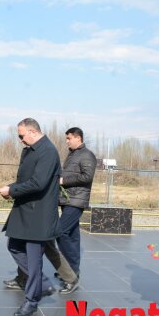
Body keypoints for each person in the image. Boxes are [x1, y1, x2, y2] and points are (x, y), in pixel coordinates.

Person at [0, 118, 61, 316]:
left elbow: (38, 183)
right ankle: (43, 285)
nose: (20, 140)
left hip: (38, 214)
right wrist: (10, 188)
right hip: (25, 210)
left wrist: (12, 190)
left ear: (33, 132)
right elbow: (25, 180)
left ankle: (32, 301)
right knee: (14, 246)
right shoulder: (30, 150)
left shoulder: (48, 151)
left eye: (21, 135)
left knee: (34, 260)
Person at [56, 126, 96, 294]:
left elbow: (87, 176)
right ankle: (72, 270)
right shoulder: (73, 154)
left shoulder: (87, 155)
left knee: (60, 231)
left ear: (78, 138)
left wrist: (64, 180)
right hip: (68, 199)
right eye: (66, 138)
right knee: (72, 236)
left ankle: (70, 274)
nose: (67, 141)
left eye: (69, 138)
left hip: (76, 201)